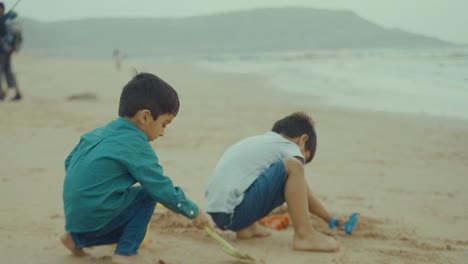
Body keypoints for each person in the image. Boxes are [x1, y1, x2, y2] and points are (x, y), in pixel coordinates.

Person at [61, 73, 213, 264]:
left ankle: (75, 238)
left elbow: (70, 162)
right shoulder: (136, 145)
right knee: (147, 194)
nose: (163, 132)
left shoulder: (98, 132)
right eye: (164, 124)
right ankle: (126, 253)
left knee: (124, 197)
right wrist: (194, 212)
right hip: (94, 219)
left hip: (75, 216)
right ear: (145, 117)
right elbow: (161, 189)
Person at [205, 112, 347, 252]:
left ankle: (247, 227)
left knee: (270, 175)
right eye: (305, 157)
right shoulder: (287, 146)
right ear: (303, 140)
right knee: (292, 166)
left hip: (220, 213)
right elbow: (303, 192)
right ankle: (305, 235)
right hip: (232, 212)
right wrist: (328, 217)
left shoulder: (263, 142)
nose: (302, 162)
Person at [0, 2, 22, 101]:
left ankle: (2, 93)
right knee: (8, 71)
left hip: (2, 50)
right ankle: (17, 92)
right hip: (8, 49)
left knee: (2, 71)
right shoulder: (7, 19)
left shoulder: (2, 20)